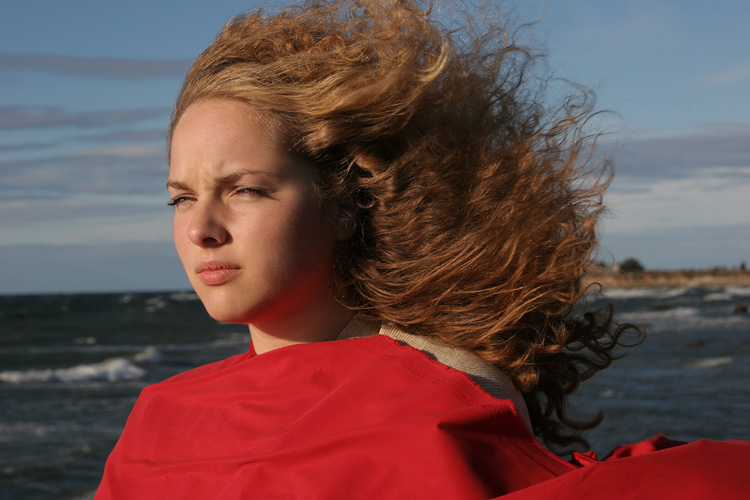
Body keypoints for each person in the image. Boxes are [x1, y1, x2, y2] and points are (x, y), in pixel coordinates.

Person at [95, 1, 748, 498]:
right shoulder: (156, 422)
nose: (202, 227)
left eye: (245, 190)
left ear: (347, 202)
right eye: (181, 197)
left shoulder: (436, 407)